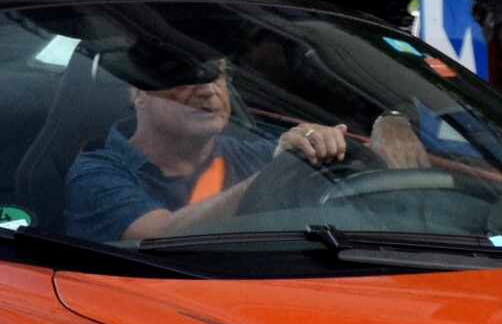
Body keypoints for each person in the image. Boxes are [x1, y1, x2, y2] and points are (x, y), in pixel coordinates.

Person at [63, 48, 424, 243]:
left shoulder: (252, 153)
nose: (208, 90)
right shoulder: (96, 172)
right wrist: (280, 171)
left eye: (218, 76)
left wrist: (388, 123)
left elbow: (331, 175)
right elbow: (157, 238)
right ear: (137, 92)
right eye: (186, 78)